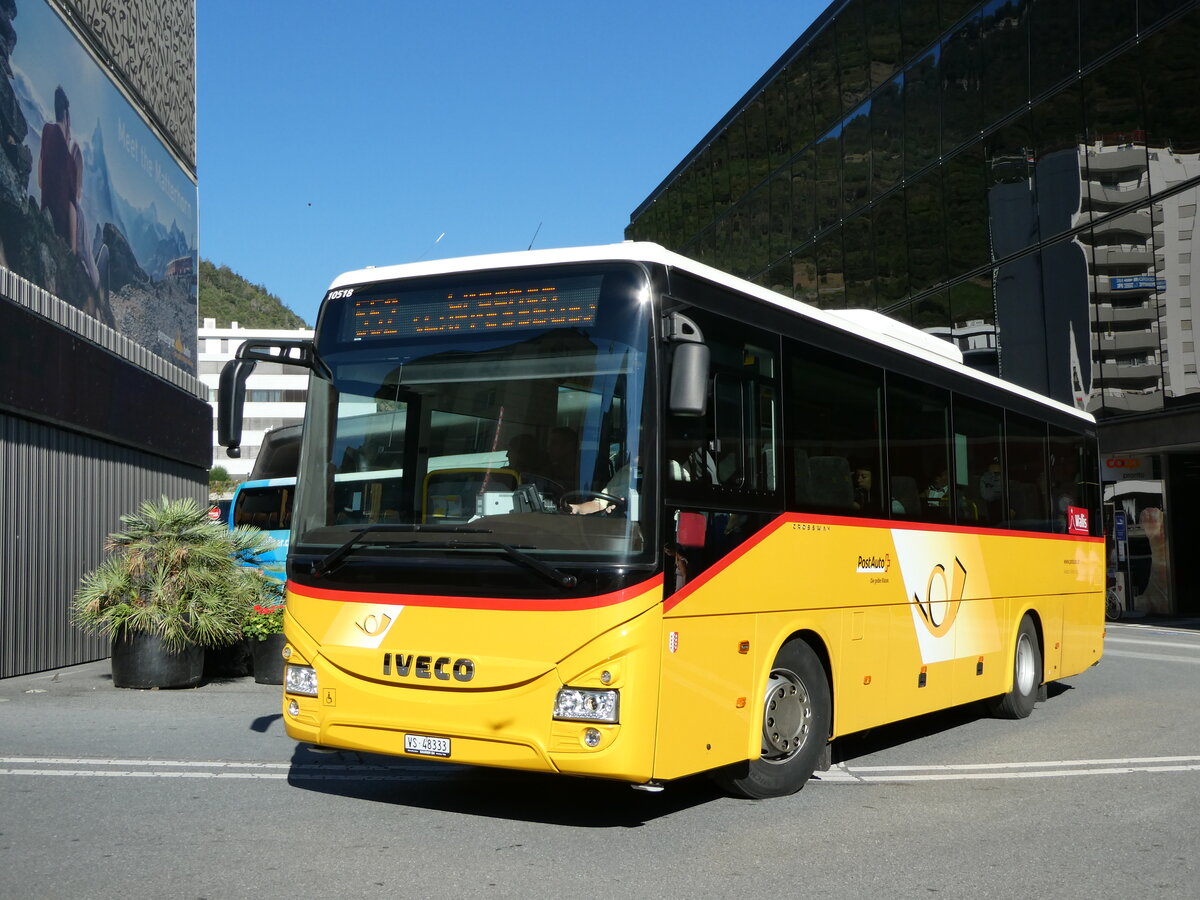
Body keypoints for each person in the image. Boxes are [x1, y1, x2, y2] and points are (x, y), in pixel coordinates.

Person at [39, 86, 77, 249]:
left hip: (44, 217)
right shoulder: (70, 162)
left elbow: (40, 181)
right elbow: (72, 208)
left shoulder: (47, 130)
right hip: (60, 235)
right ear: (67, 117)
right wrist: (73, 251)